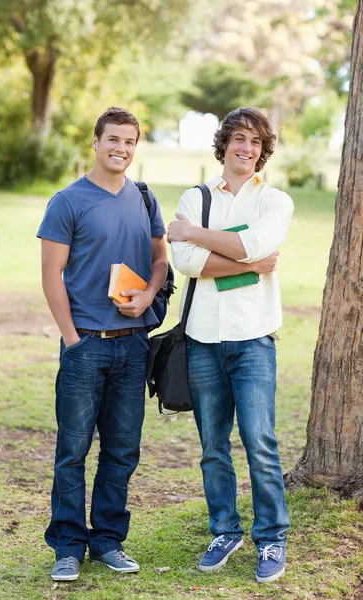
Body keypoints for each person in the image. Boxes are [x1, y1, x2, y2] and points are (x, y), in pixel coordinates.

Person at [37, 107, 167, 581]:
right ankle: (68, 545)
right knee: (72, 450)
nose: (121, 148)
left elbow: (159, 261)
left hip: (133, 348)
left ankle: (108, 540)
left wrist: (150, 295)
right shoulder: (68, 201)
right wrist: (71, 339)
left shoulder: (144, 198)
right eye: (113, 139)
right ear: (95, 142)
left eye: (130, 141)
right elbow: (51, 275)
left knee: (122, 449)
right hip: (84, 345)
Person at [168, 107, 293, 583]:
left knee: (260, 441)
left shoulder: (274, 201)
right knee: (212, 445)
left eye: (256, 142)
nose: (247, 148)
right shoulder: (195, 196)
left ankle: (272, 538)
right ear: (224, 144)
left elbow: (253, 246)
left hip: (254, 340)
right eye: (239, 138)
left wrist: (199, 237)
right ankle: (224, 529)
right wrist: (245, 259)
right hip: (202, 340)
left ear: (263, 152)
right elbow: (188, 262)